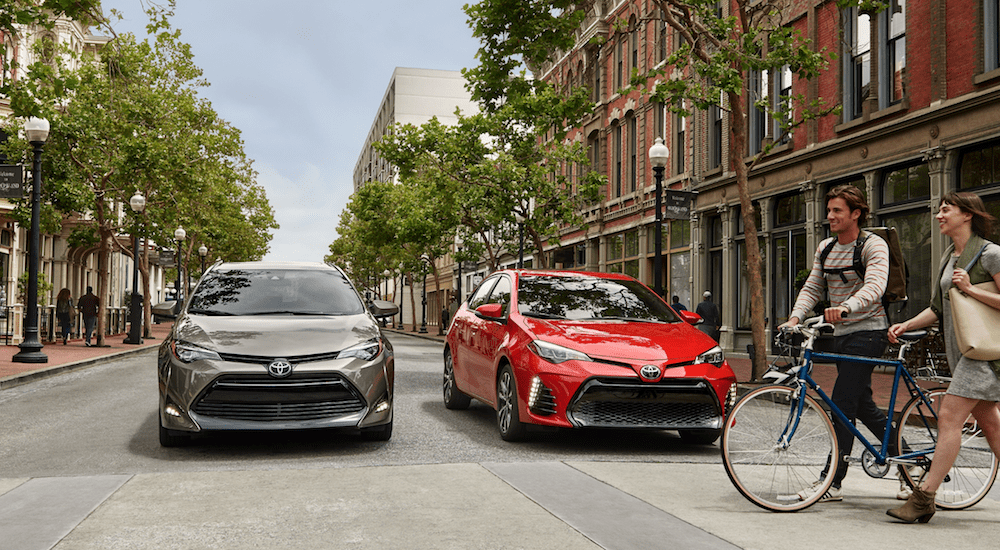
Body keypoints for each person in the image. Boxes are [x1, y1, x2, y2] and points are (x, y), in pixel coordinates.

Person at [886, 192, 1000, 524]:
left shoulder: (991, 254)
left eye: (946, 209)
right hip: (965, 351)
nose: (939, 215)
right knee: (991, 423)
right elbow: (938, 308)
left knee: (949, 415)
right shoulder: (949, 256)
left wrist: (972, 289)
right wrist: (906, 324)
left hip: (987, 354)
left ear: (967, 215)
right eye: (939, 210)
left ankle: (924, 497)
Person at [780, 184, 890, 503]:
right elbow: (813, 287)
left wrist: (846, 307)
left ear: (856, 214)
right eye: (829, 210)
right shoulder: (826, 248)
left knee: (842, 404)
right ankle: (913, 464)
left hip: (869, 331)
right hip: (841, 335)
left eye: (837, 210)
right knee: (862, 406)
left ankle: (832, 482)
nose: (830, 216)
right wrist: (795, 318)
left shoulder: (873, 245)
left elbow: (875, 285)